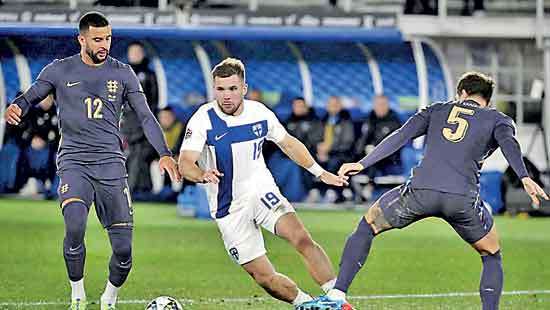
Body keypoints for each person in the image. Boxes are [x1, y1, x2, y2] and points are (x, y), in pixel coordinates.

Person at [300, 72, 548, 310]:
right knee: (491, 252)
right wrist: (524, 176)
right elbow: (509, 145)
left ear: (461, 93)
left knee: (368, 224)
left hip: (420, 192)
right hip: (461, 199)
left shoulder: (437, 109)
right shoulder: (498, 119)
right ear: (487, 99)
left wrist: (362, 163)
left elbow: (400, 136)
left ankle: (337, 294)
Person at [4, 11, 180, 310]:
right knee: (74, 227)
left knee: (124, 251)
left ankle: (109, 298)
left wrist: (164, 153)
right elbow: (32, 95)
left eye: (108, 38)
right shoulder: (59, 70)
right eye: (98, 39)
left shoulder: (123, 73)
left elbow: (146, 116)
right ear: (81, 39)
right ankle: (77, 295)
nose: (105, 44)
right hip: (74, 163)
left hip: (111, 165)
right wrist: (17, 106)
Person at [178, 58, 348, 309]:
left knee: (301, 238)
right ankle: (307, 304)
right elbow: (185, 162)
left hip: (261, 190)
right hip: (229, 207)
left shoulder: (259, 113)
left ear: (244, 88)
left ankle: (338, 301)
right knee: (264, 277)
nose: (226, 95)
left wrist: (320, 173)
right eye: (220, 89)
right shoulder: (203, 119)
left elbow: (288, 143)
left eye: (232, 89)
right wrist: (202, 174)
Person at [122, 41, 159, 197]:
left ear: (143, 54)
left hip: (142, 122)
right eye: (132, 52)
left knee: (138, 154)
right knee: (125, 155)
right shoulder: (122, 74)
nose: (135, 55)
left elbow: (154, 100)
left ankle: (130, 191)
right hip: (125, 123)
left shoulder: (149, 75)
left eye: (138, 52)